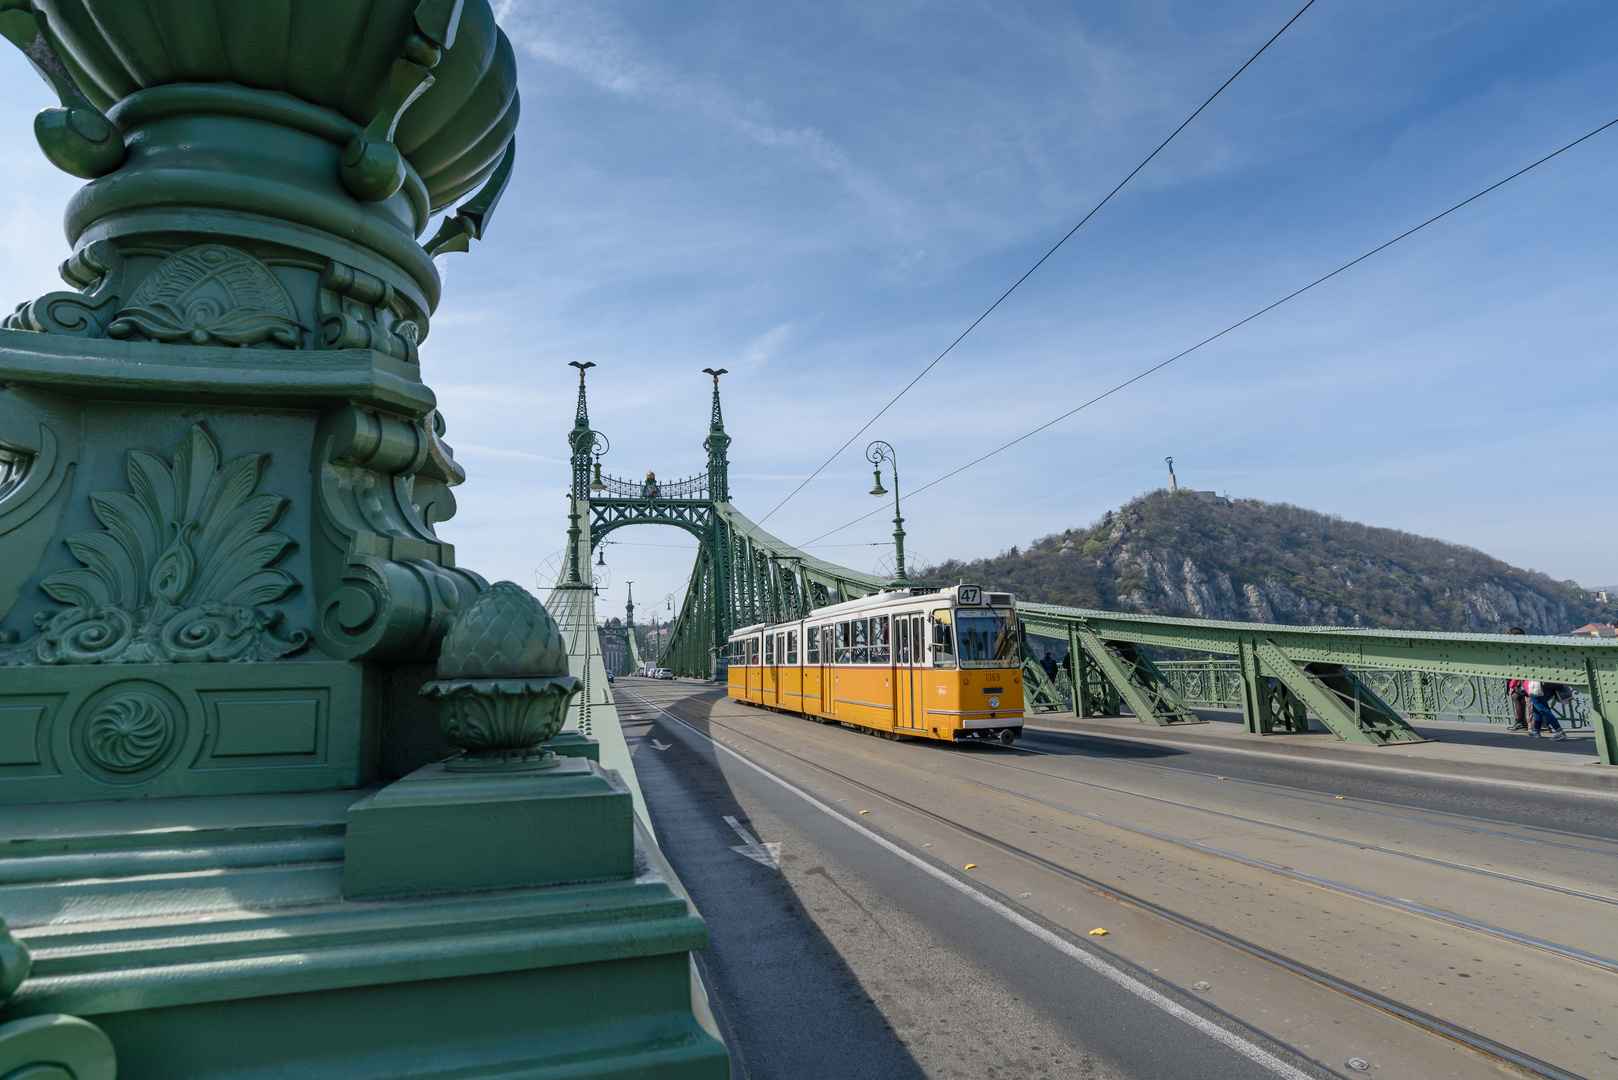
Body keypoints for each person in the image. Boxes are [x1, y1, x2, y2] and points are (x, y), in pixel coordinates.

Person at [1505, 627, 1529, 731]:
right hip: (1528, 680)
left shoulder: (1517, 650)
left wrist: (1512, 685)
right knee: (1534, 700)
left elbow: (1518, 670)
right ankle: (1540, 725)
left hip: (1525, 681)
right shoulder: (1526, 647)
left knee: (1520, 698)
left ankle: (1522, 723)